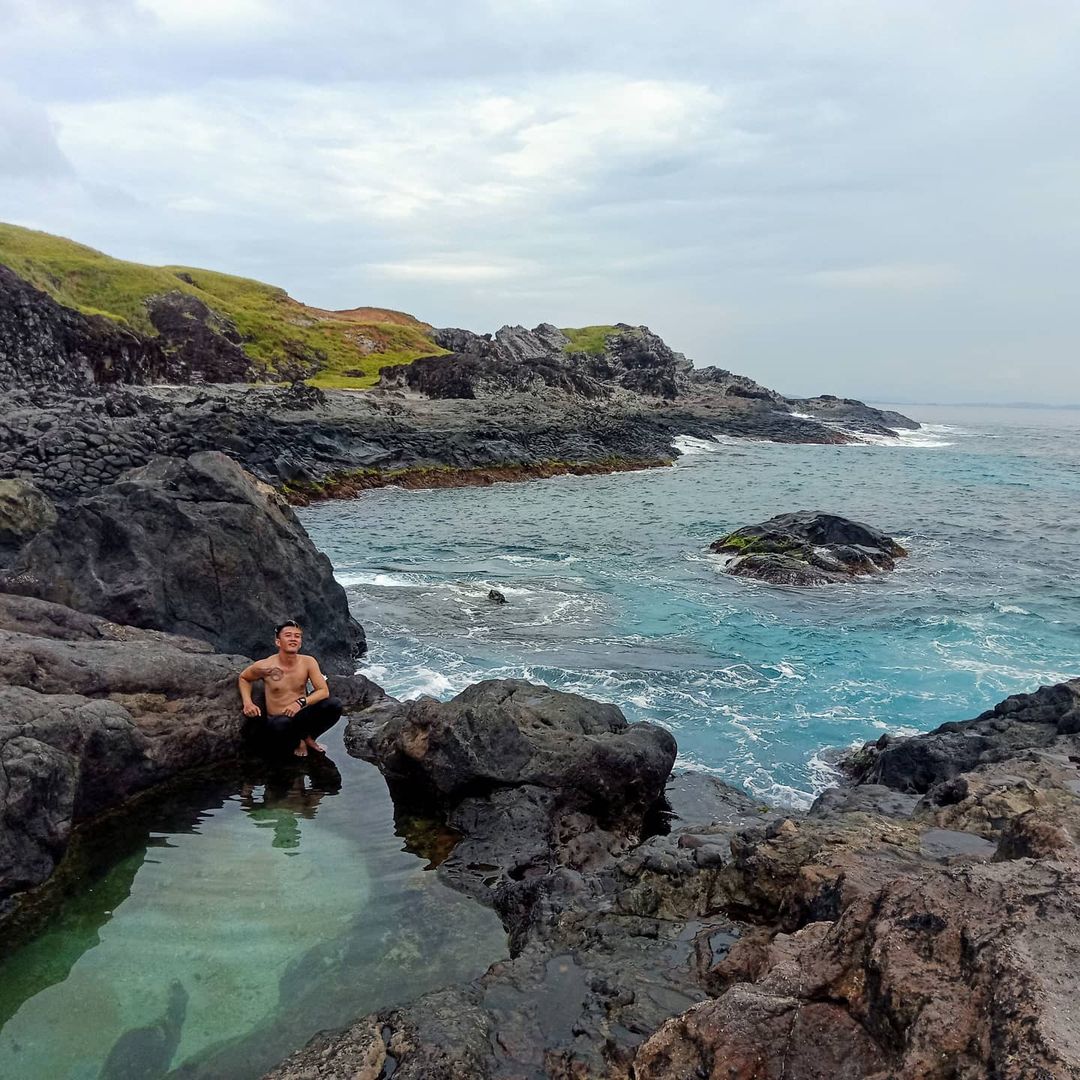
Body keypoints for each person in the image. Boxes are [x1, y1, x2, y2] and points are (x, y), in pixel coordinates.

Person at [238, 620, 343, 758]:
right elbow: (244, 678)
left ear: (300, 642)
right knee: (281, 724)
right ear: (278, 642)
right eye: (288, 635)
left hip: (300, 715)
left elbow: (323, 691)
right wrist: (248, 702)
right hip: (279, 720)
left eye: (297, 636)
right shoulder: (265, 666)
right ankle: (298, 741)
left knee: (334, 705)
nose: (293, 639)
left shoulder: (308, 662)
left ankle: (309, 737)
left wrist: (300, 703)